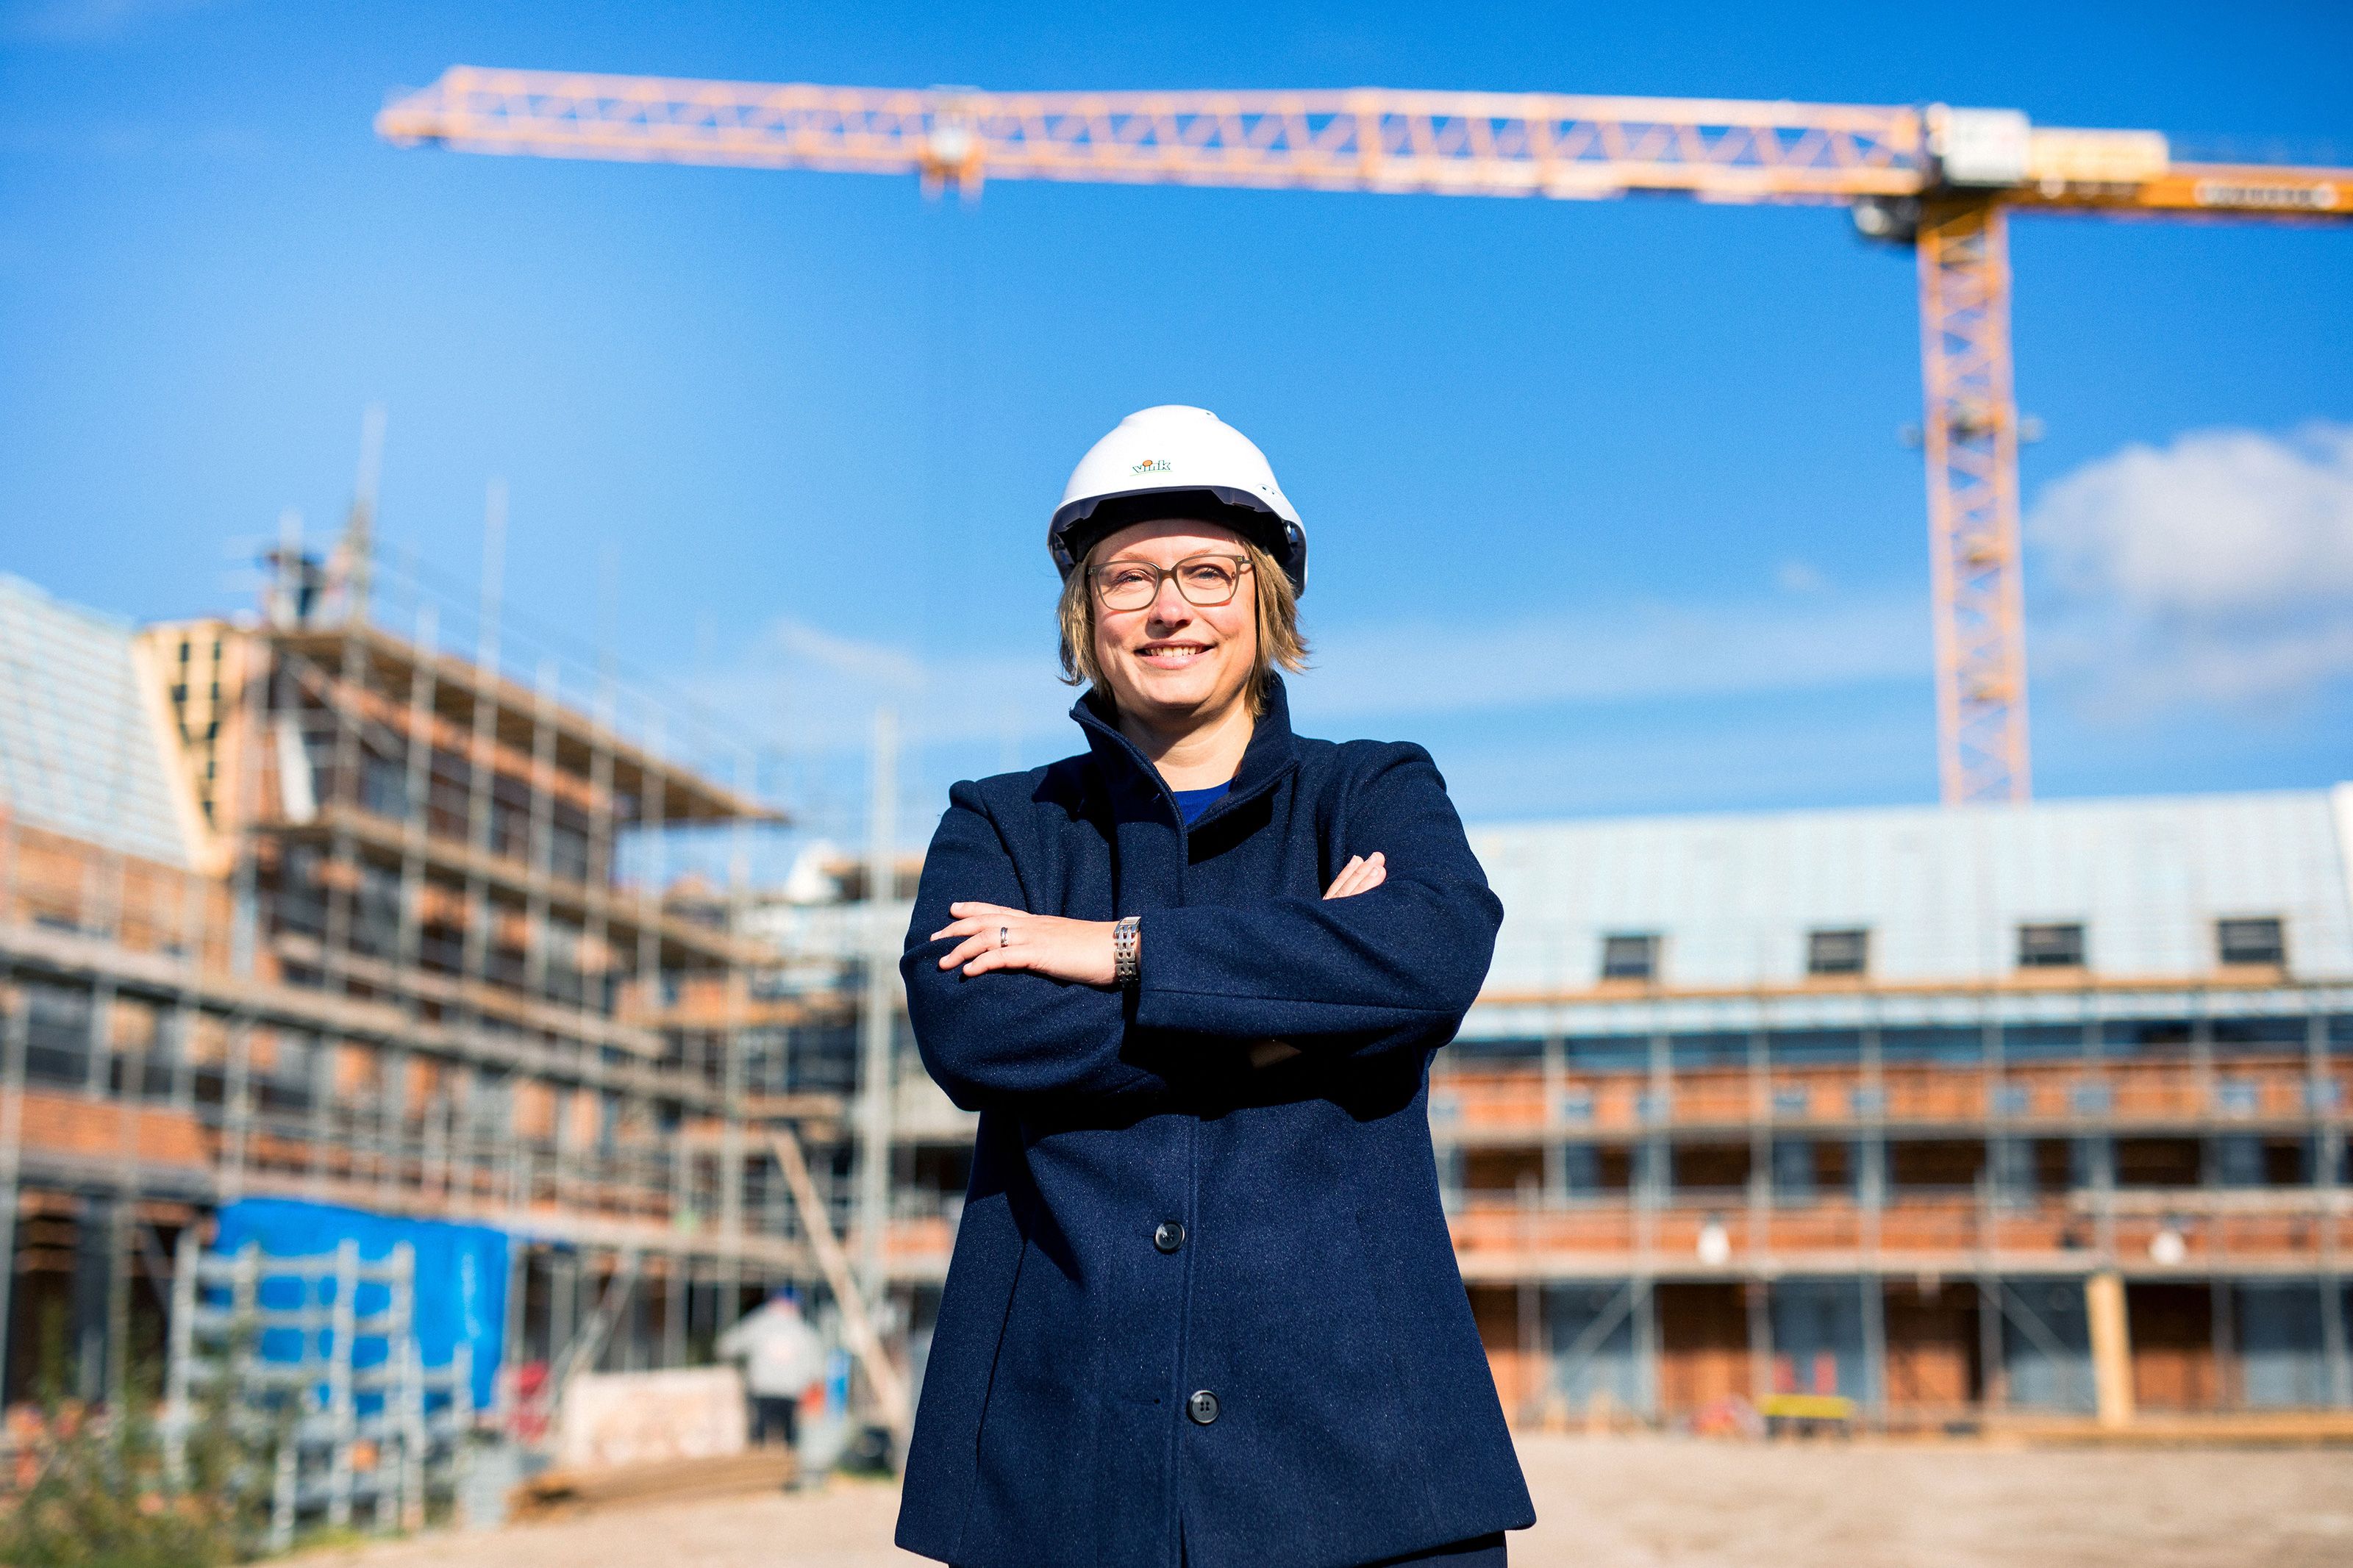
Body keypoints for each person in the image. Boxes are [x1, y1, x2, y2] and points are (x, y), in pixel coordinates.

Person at [893, 407, 1533, 1568]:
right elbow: (975, 1031)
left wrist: (1118, 952)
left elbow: (1429, 958)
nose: (1170, 607)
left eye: (1207, 571)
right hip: (1060, 1470)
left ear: (1267, 598)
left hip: (1365, 1466)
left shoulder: (1376, 789)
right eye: (1129, 578)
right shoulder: (998, 822)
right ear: (1084, 613)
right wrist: (1303, 1014)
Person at [716, 1286, 824, 1450]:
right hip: (792, 1391)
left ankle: (756, 1467)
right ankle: (788, 1467)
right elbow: (817, 1368)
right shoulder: (804, 1331)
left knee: (759, 1434)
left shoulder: (759, 1323)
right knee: (790, 1436)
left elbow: (726, 1346)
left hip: (762, 1389)